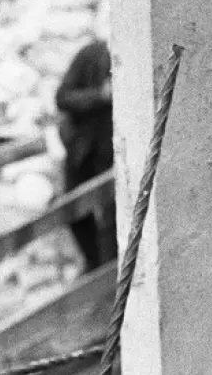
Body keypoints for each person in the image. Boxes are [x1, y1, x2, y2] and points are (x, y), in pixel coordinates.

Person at [54, 38, 118, 270]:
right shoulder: (91, 55)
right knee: (74, 213)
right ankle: (94, 265)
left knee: (112, 219)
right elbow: (63, 97)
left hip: (111, 159)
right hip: (82, 154)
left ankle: (107, 276)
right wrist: (100, 95)